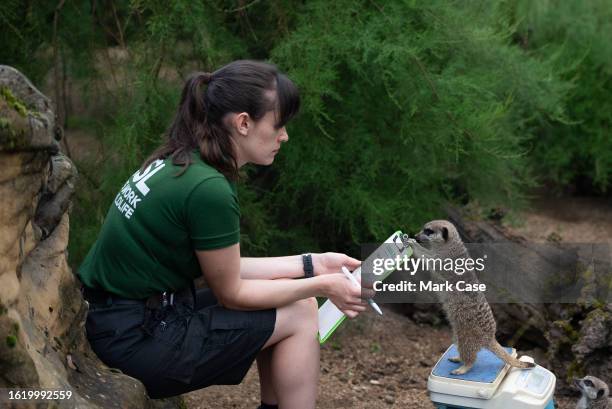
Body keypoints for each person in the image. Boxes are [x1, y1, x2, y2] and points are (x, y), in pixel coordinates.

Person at [77, 60, 373, 409]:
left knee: (296, 300)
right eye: (279, 125)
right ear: (243, 123)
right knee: (300, 312)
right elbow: (232, 292)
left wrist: (312, 264)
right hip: (134, 339)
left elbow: (224, 268)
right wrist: (323, 286)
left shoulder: (181, 161)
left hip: (119, 318)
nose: (285, 136)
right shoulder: (208, 188)